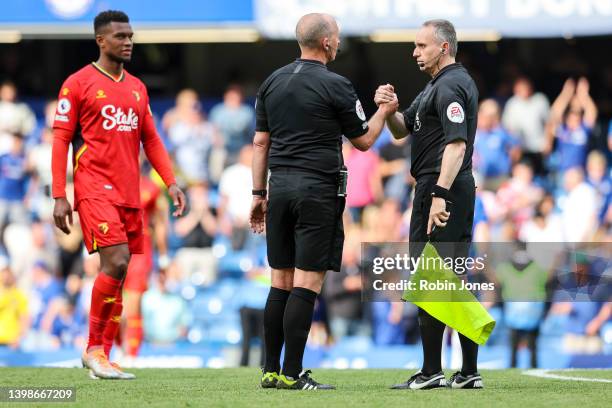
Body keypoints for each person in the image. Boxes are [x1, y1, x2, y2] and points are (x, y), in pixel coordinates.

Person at [250, 13, 398, 390]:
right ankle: (294, 373)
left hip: (278, 187)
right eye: (338, 37)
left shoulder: (271, 81)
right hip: (317, 191)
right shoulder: (337, 85)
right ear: (328, 43)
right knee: (307, 282)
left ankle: (269, 369)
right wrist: (384, 111)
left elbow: (260, 143)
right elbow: (364, 141)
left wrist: (257, 194)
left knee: (279, 280)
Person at [51, 10, 185, 380]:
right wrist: (59, 194)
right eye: (120, 36)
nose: (128, 41)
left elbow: (151, 139)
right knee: (117, 261)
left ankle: (103, 358)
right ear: (101, 41)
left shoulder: (137, 88)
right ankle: (94, 349)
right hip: (94, 188)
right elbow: (61, 138)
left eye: (130, 35)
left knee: (120, 271)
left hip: (129, 193)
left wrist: (170, 181)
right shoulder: (77, 84)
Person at [376, 19, 483, 389]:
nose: (415, 52)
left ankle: (441, 370)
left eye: (421, 45)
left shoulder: (452, 84)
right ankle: (457, 371)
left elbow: (457, 145)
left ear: (444, 47)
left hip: (444, 188)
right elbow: (403, 129)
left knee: (438, 277)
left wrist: (439, 194)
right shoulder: (434, 86)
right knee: (436, 277)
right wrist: (390, 109)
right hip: (433, 187)